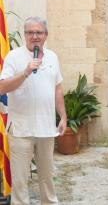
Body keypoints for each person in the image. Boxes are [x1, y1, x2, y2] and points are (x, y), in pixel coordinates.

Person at [0, 17, 67, 205]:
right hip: (21, 130)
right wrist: (25, 72)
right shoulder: (14, 57)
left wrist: (63, 116)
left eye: (39, 32)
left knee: (47, 176)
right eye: (30, 32)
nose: (34, 36)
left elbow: (57, 88)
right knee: (20, 181)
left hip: (46, 129)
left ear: (46, 35)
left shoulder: (53, 57)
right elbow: (2, 87)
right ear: (25, 35)